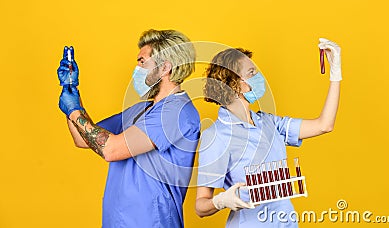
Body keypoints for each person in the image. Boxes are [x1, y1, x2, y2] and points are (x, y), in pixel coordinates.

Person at [57, 29, 200, 227]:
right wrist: (71, 91)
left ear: (165, 67)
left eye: (142, 62)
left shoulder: (176, 113)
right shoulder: (141, 109)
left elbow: (110, 149)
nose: (137, 69)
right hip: (117, 221)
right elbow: (84, 138)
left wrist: (73, 110)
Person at [195, 38, 342, 227]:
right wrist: (221, 200)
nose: (259, 76)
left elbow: (324, 125)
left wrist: (335, 74)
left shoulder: (268, 122)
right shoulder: (217, 136)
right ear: (234, 84)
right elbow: (201, 206)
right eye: (251, 72)